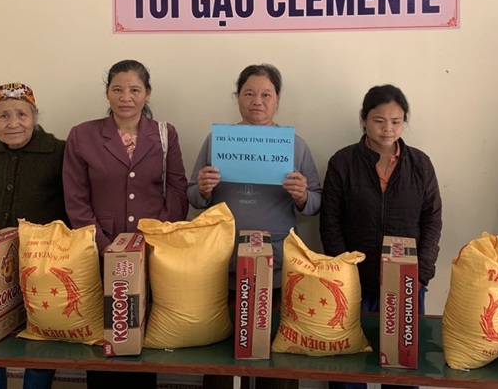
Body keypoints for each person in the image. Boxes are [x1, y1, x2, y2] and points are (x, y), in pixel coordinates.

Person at [187, 63, 322, 389]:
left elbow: (316, 203)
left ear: (277, 100)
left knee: (275, 359)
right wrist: (203, 189)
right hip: (223, 265)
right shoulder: (217, 140)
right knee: (220, 356)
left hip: (276, 267)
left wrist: (302, 196)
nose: (257, 101)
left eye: (266, 94)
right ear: (238, 97)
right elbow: (192, 196)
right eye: (249, 93)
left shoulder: (295, 146)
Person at [63, 59, 188, 389]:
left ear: (148, 93)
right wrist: (105, 247)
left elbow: (177, 190)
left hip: (151, 252)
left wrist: (155, 240)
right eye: (117, 89)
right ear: (107, 92)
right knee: (105, 338)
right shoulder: (82, 135)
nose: (126, 97)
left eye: (135, 89)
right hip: (98, 252)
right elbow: (76, 199)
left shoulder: (165, 134)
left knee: (142, 338)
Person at [319, 84, 443, 389]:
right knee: (349, 369)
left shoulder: (420, 165)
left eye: (396, 121)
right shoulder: (342, 163)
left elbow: (432, 220)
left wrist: (421, 273)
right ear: (364, 119)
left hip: (407, 284)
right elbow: (330, 222)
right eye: (379, 120)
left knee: (402, 369)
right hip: (353, 284)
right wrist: (344, 272)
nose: (388, 129)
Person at [0, 82, 66, 389]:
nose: (13, 123)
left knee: (41, 333)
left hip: (43, 261)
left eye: (22, 114)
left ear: (34, 117)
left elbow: (70, 205)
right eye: (3, 116)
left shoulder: (58, 151)